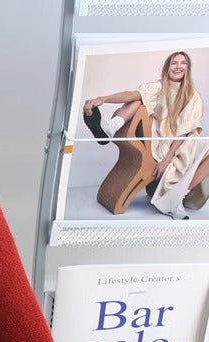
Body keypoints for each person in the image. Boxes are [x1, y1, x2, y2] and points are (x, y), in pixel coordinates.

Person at [83, 50, 209, 219]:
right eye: (174, 63)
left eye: (183, 63)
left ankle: (178, 196)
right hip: (159, 140)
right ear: (167, 68)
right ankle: (109, 130)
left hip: (181, 143)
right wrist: (103, 99)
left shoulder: (192, 96)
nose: (178, 66)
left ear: (188, 68)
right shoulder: (158, 87)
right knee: (138, 98)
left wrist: (167, 160)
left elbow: (184, 133)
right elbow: (131, 95)